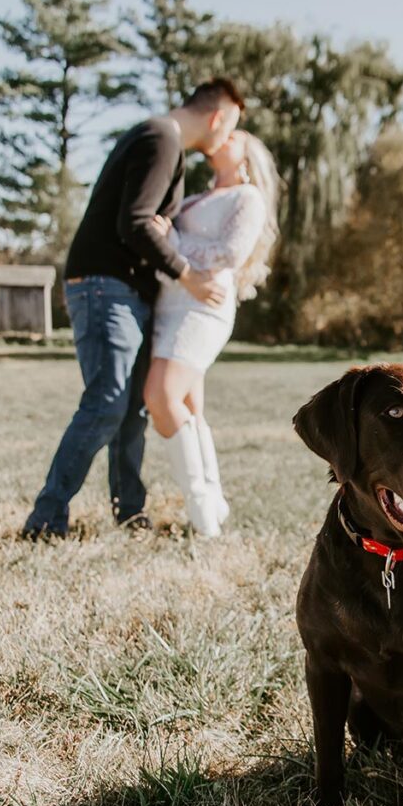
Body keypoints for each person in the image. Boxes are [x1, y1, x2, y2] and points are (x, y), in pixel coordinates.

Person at [22, 79, 244, 539]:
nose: (226, 141)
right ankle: (46, 518)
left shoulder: (157, 138)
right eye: (232, 128)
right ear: (218, 117)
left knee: (129, 410)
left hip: (123, 290)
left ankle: (129, 512)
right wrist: (187, 274)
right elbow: (137, 222)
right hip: (106, 287)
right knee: (106, 403)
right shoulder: (161, 138)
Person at [144, 129, 279, 536]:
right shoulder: (195, 197)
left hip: (203, 306)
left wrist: (173, 238)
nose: (223, 137)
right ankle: (214, 503)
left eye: (234, 135)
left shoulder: (247, 197)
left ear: (245, 155)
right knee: (189, 405)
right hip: (169, 303)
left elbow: (230, 254)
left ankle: (202, 514)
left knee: (160, 396)